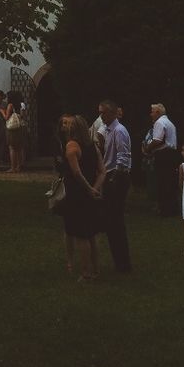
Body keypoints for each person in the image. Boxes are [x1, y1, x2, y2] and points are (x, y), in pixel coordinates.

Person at [57, 114, 103, 281]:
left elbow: (76, 173)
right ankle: (96, 269)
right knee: (92, 234)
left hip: (77, 194)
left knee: (81, 235)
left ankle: (86, 273)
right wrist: (95, 188)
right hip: (90, 193)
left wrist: (89, 188)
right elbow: (102, 171)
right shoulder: (93, 146)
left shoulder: (72, 146)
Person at [98, 99, 133, 272]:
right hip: (110, 174)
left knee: (116, 221)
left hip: (117, 176)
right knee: (111, 222)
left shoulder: (119, 131)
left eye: (103, 112)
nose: (101, 116)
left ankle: (123, 263)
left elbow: (123, 155)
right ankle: (119, 261)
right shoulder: (107, 130)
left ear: (112, 113)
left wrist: (114, 178)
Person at [144, 103, 179, 217]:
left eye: (152, 111)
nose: (150, 114)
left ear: (158, 112)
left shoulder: (159, 122)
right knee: (170, 181)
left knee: (162, 182)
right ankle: (172, 208)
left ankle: (164, 210)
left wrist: (148, 148)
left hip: (163, 155)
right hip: (172, 154)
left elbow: (157, 140)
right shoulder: (170, 123)